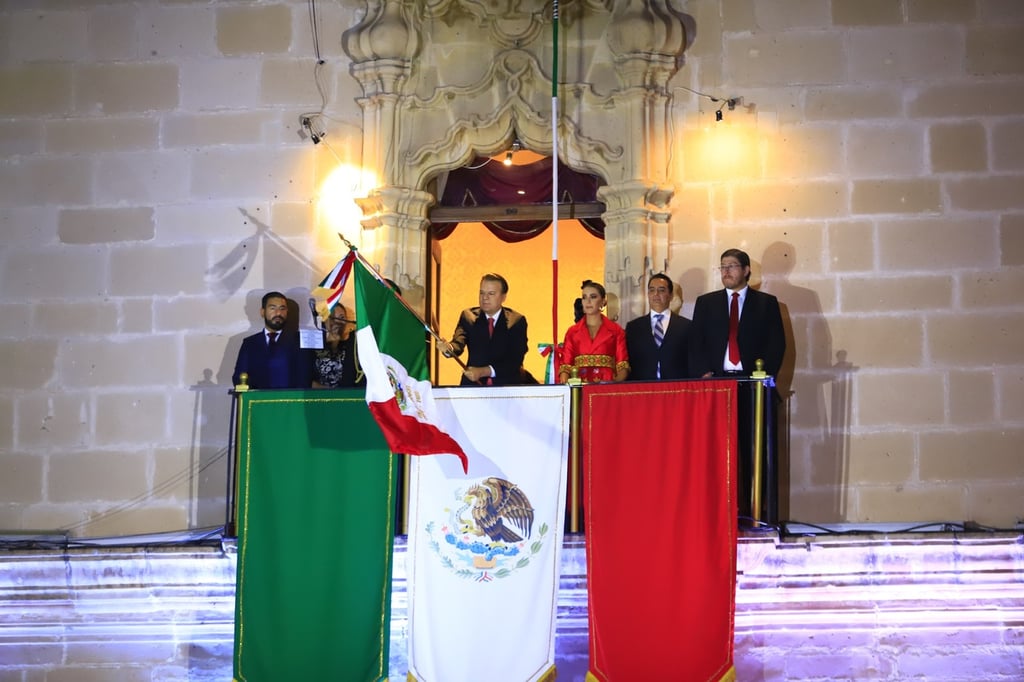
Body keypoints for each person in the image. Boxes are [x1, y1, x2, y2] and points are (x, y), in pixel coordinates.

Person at [688, 249, 785, 378]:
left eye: (732, 266)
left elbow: (776, 344)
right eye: (723, 267)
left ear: (746, 270)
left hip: (753, 381)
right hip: (716, 380)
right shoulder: (706, 303)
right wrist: (703, 371)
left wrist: (765, 376)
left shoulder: (766, 303)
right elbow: (696, 342)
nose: (726, 271)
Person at [442, 273, 531, 386]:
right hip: (473, 386)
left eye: (491, 293)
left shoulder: (516, 321)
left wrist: (483, 371)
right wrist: (448, 348)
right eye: (482, 293)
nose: (485, 298)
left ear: (503, 297)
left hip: (506, 387)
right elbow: (457, 344)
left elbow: (515, 360)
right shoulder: (468, 316)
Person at [232, 291, 312, 389]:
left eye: (282, 309)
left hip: (290, 402)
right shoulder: (249, 343)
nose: (278, 313)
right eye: (273, 308)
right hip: (258, 402)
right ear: (262, 312)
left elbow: (305, 379)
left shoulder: (300, 341)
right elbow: (238, 378)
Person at [558, 280, 629, 383]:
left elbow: (622, 364)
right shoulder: (572, 332)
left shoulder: (616, 331)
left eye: (593, 297)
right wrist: (568, 390)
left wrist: (614, 385)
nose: (588, 301)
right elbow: (566, 366)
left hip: (606, 386)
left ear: (603, 301)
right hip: (579, 386)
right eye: (584, 297)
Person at [625, 273, 691, 380]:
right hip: (643, 390)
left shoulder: (687, 326)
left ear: (670, 295)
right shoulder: (634, 328)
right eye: (651, 290)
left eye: (661, 290)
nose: (656, 294)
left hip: (676, 389)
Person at [311, 303, 364, 389]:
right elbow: (308, 381)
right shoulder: (315, 344)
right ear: (325, 321)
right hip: (320, 398)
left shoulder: (353, 344)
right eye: (332, 317)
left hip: (349, 398)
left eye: (342, 317)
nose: (337, 321)